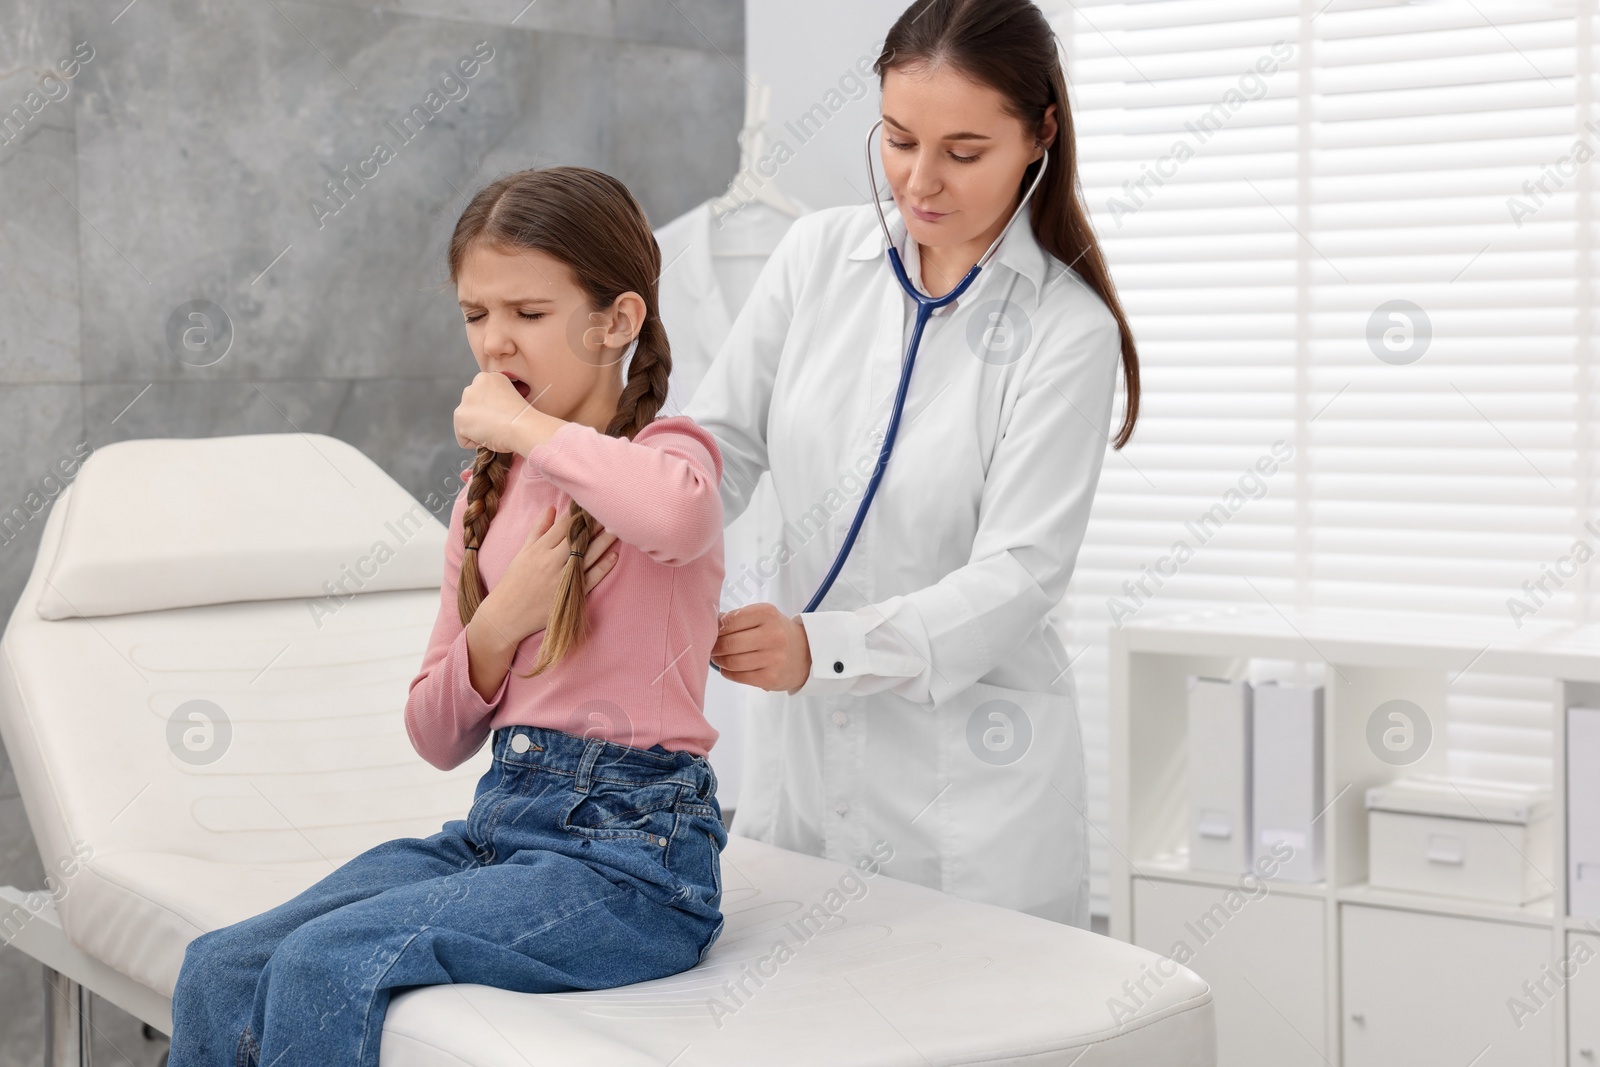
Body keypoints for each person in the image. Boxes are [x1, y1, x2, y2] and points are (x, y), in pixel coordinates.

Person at [167, 166, 728, 1067]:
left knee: (325, 962)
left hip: (635, 864)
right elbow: (434, 732)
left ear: (617, 320)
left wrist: (521, 429)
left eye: (528, 314)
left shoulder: (668, 456)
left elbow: (676, 517)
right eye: (476, 315)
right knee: (220, 965)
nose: (495, 343)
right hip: (498, 826)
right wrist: (499, 624)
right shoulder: (485, 497)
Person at [689, 0, 1141, 928]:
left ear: (1039, 132)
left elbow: (1019, 576)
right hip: (810, 774)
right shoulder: (816, 256)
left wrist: (824, 645)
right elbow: (721, 445)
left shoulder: (1067, 333)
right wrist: (621, 505)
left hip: (975, 804)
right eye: (898, 140)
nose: (921, 181)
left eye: (964, 152)